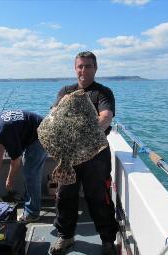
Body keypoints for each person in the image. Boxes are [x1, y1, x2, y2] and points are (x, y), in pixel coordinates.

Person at [49, 51, 119, 255]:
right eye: (80, 66)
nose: (83, 70)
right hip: (68, 154)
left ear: (95, 68)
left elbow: (105, 117)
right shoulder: (65, 91)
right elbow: (54, 118)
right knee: (64, 196)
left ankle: (107, 240)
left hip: (96, 155)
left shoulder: (103, 92)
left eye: (88, 66)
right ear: (75, 68)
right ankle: (66, 237)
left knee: (99, 197)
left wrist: (81, 136)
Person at [0, 110, 47, 222]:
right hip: (32, 131)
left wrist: (9, 180)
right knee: (28, 172)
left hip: (42, 134)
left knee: (31, 175)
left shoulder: (4, 131)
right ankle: (31, 199)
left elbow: (16, 160)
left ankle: (33, 213)